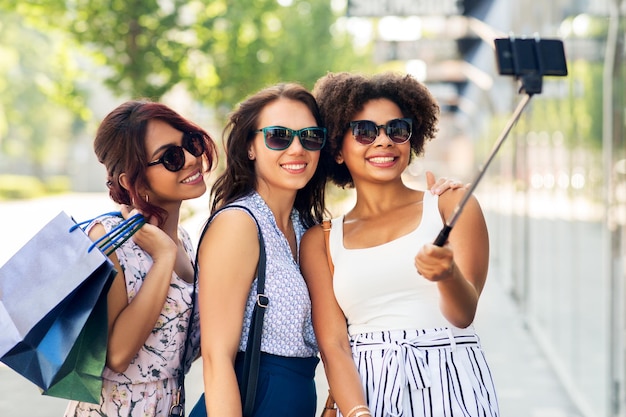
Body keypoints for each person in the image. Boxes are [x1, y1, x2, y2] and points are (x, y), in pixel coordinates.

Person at [300, 72, 500, 417]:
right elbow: (333, 345)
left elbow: (463, 315)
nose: (384, 141)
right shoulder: (322, 239)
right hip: (368, 389)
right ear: (336, 149)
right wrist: (357, 411)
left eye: (397, 129)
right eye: (364, 131)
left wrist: (447, 273)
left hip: (451, 380)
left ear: (413, 138)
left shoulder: (451, 206)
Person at [64, 99, 217, 417]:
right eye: (170, 157)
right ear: (131, 180)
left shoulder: (186, 242)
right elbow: (118, 355)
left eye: (190, 143)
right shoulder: (109, 240)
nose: (191, 159)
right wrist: (163, 259)